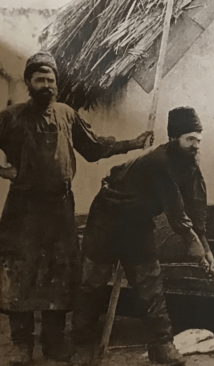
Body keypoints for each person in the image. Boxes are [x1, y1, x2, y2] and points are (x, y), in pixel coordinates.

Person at [0, 51, 152, 365]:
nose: (46, 85)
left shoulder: (67, 114)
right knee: (21, 275)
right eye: (39, 79)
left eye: (50, 80)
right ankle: (21, 345)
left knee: (60, 275)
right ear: (29, 82)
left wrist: (133, 143)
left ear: (56, 84)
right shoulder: (11, 116)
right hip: (22, 212)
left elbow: (94, 148)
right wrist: (2, 171)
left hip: (59, 210)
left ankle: (53, 344)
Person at [70, 107, 214, 365]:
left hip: (137, 221)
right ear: (173, 139)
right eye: (189, 139)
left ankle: (161, 346)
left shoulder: (190, 164)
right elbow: (176, 212)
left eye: (198, 140)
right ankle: (82, 345)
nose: (195, 145)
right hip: (108, 216)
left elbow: (197, 205)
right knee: (92, 282)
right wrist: (194, 246)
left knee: (151, 282)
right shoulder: (159, 161)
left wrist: (205, 244)